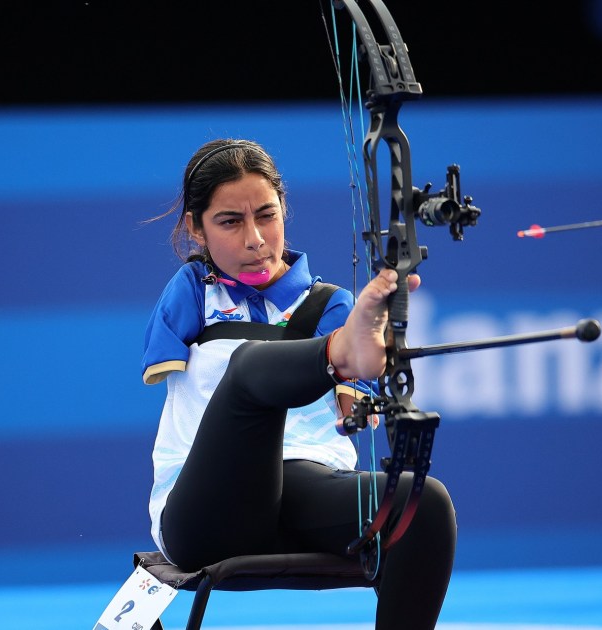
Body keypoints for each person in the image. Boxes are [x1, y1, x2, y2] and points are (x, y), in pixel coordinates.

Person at [142, 139, 456, 628]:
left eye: (266, 215)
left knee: (423, 504)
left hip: (304, 494)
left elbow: (351, 417)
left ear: (284, 210)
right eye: (229, 222)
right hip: (205, 513)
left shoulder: (330, 301)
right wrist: (341, 352)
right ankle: (340, 353)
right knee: (250, 368)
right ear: (194, 229)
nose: (255, 240)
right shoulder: (191, 294)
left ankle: (345, 354)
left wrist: (358, 393)